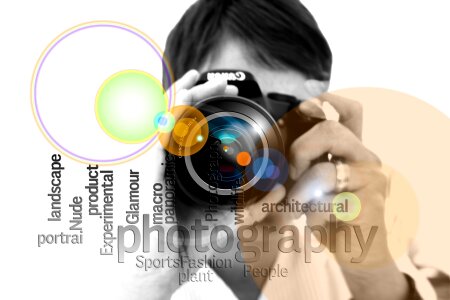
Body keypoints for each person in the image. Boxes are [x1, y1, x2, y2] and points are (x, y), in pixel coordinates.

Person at [142, 0, 437, 299]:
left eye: (282, 115)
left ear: (317, 123)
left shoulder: (386, 225)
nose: (254, 143)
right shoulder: (112, 248)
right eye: (232, 114)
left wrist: (374, 280)